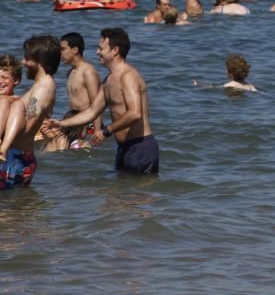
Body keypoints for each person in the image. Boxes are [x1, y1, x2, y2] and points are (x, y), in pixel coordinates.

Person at [46, 28, 159, 174]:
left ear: (115, 50)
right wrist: (62, 123)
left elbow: (135, 113)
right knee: (118, 195)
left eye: (101, 48)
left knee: (139, 195)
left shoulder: (128, 76)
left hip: (140, 146)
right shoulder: (109, 80)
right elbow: (92, 111)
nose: (97, 52)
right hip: (123, 148)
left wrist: (106, 131)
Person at [0, 37, 59, 187]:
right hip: (14, 157)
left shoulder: (43, 89)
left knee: (9, 209)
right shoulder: (38, 87)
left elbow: (26, 128)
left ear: (40, 62)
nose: (23, 62)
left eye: (27, 58)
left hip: (15, 159)